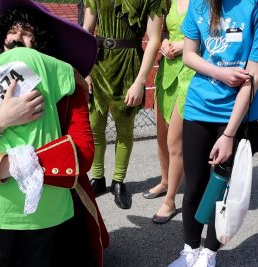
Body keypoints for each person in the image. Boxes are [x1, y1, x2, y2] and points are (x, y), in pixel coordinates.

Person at [0, 2, 108, 265]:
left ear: (39, 41)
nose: (17, 38)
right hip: (2, 205)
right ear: (0, 39)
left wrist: (10, 166)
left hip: (49, 193)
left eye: (27, 32)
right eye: (12, 32)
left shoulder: (50, 69)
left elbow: (82, 154)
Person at [168, 0, 258, 266]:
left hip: (236, 115)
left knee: (220, 189)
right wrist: (221, 73)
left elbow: (253, 75)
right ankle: (190, 251)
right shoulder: (199, 4)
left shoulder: (252, 6)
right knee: (194, 185)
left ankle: (209, 254)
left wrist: (229, 134)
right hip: (198, 108)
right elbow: (189, 55)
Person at [83, 0, 166, 209]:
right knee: (94, 128)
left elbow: (154, 39)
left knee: (124, 130)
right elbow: (86, 31)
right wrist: (84, 70)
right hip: (98, 64)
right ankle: (98, 178)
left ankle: (118, 181)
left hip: (129, 67)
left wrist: (140, 81)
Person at [141, 0, 195, 224]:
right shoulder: (167, 1)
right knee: (161, 136)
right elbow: (158, 33)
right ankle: (164, 181)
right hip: (168, 70)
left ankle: (170, 201)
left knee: (175, 142)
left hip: (192, 73)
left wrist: (185, 45)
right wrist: (164, 42)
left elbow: (215, 36)